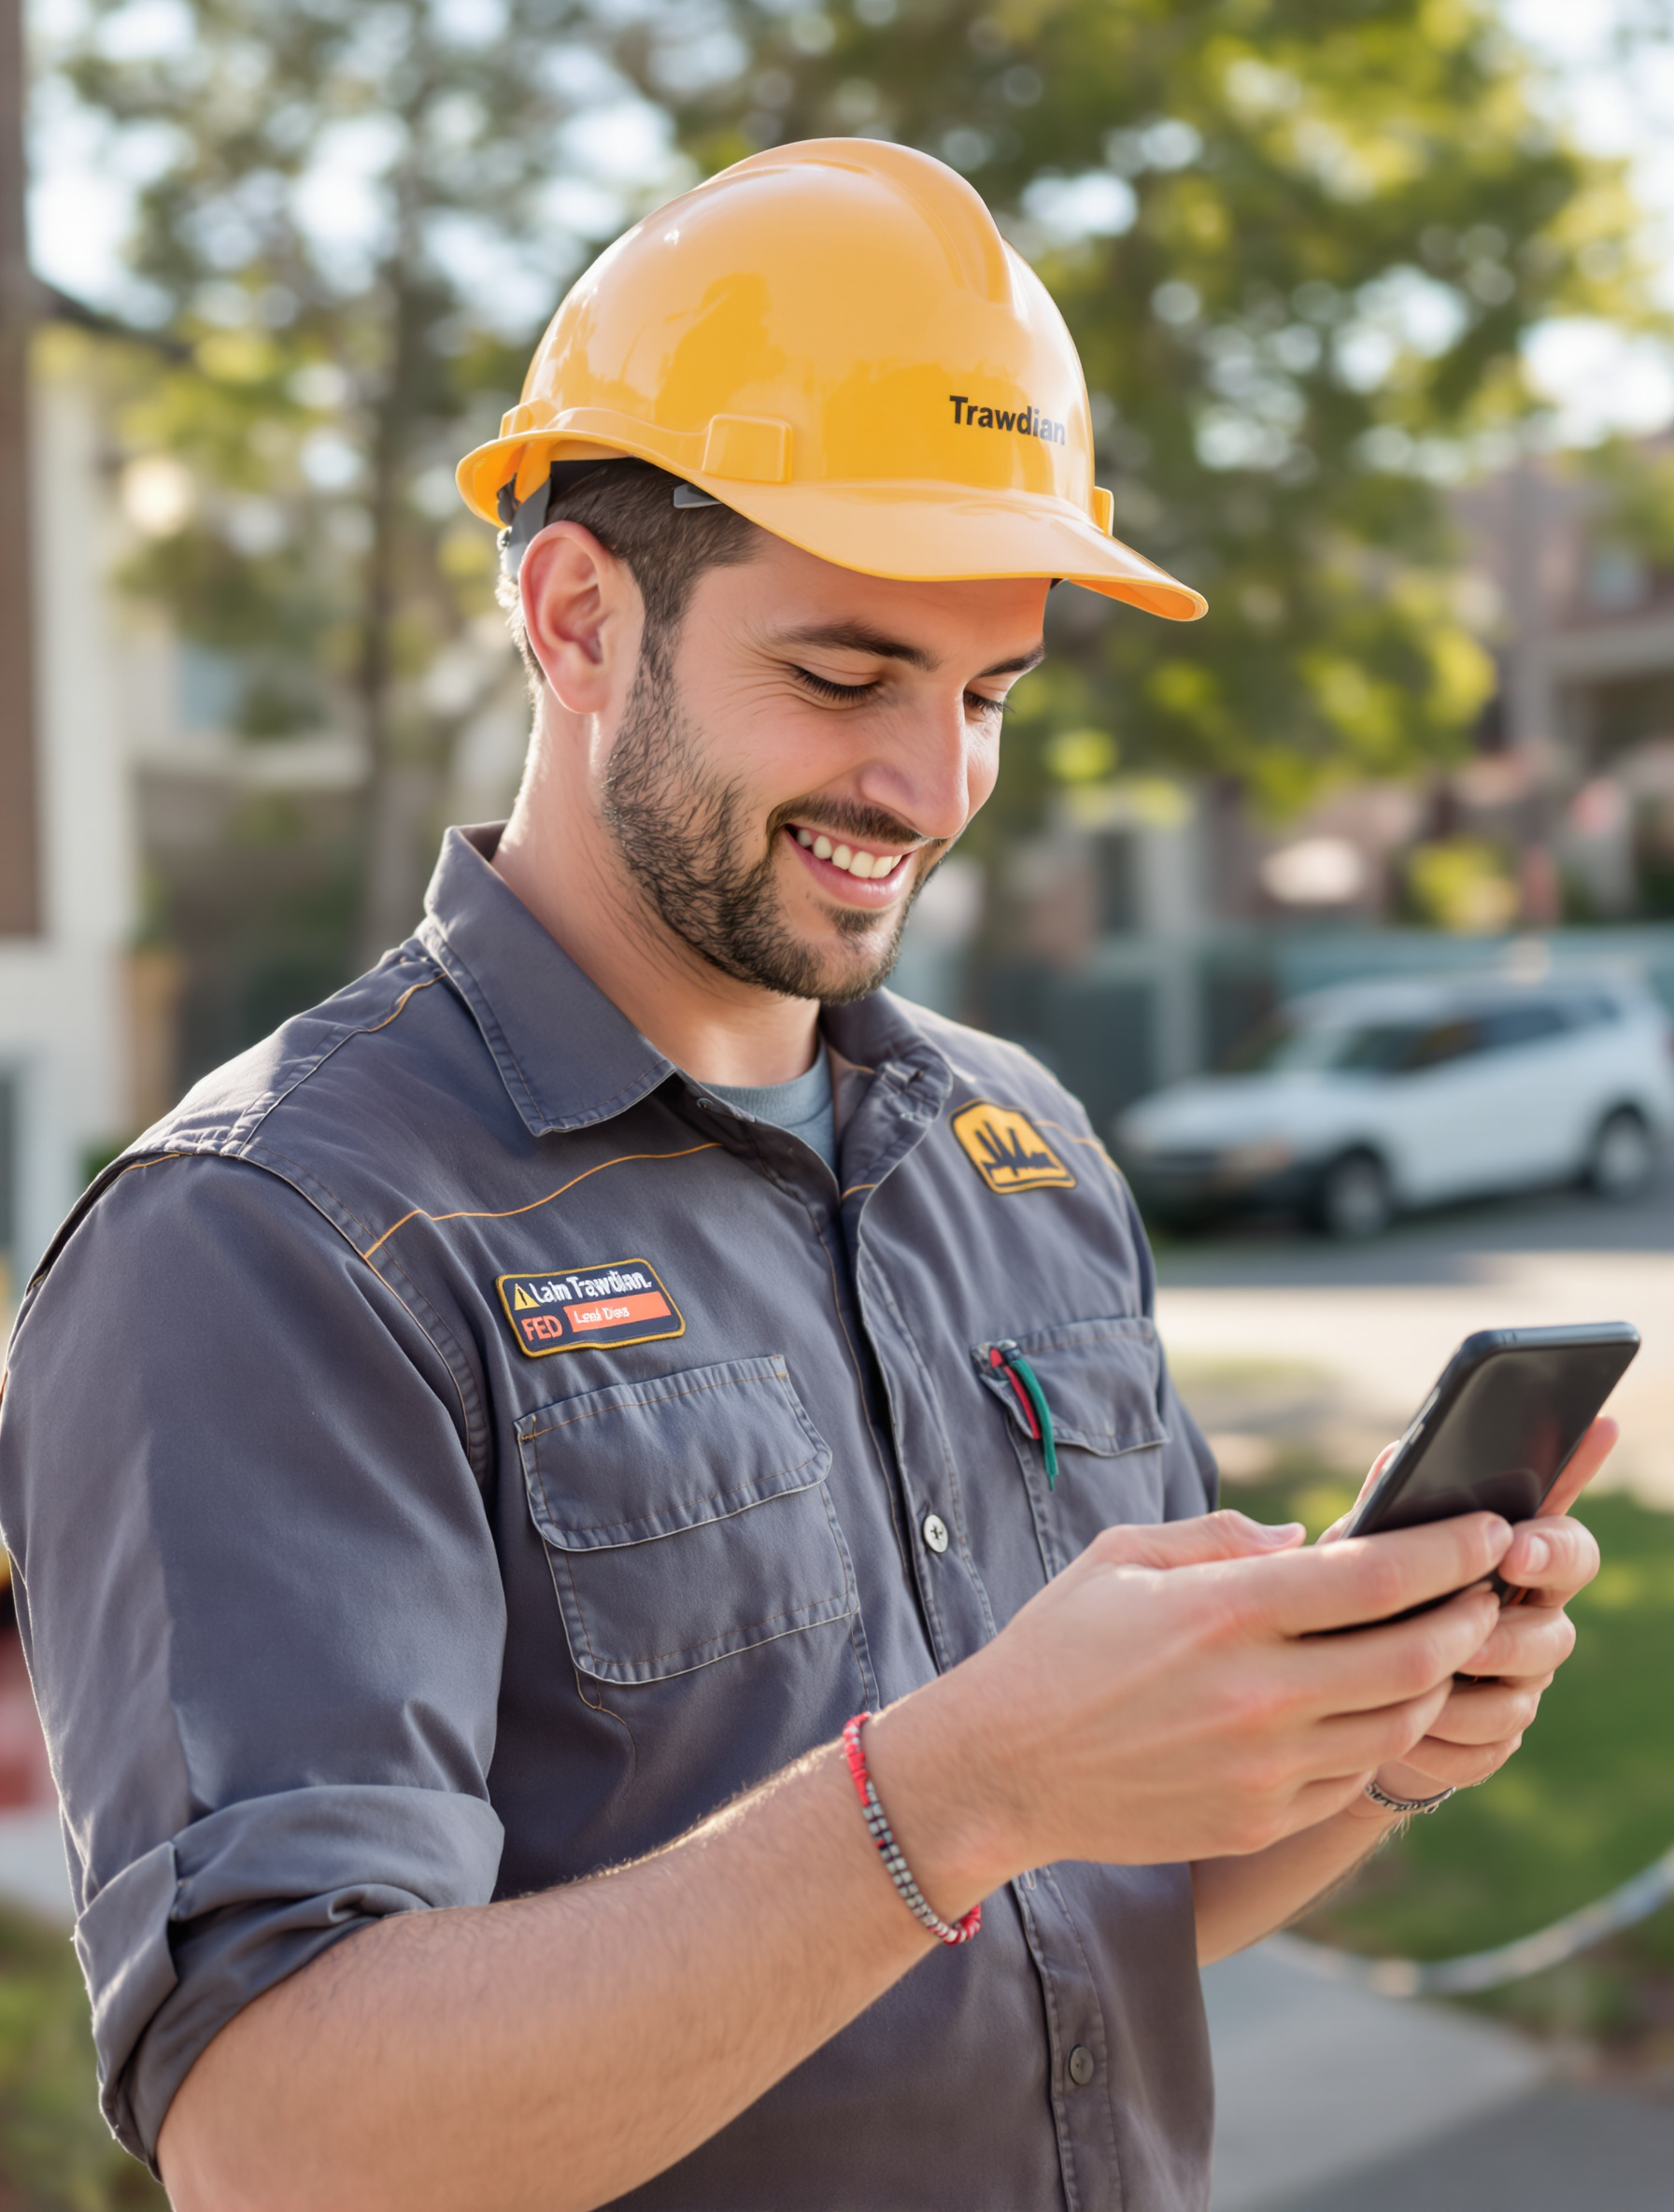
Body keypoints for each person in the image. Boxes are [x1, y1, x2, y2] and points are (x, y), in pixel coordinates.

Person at [0, 139, 1606, 2212]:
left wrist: (1369, 1742)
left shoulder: (1016, 1152)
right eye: (843, 676)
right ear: (578, 619)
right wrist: (953, 1788)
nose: (930, 786)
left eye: (986, 693)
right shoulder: (269, 1238)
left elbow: (1094, 1917)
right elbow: (282, 2135)